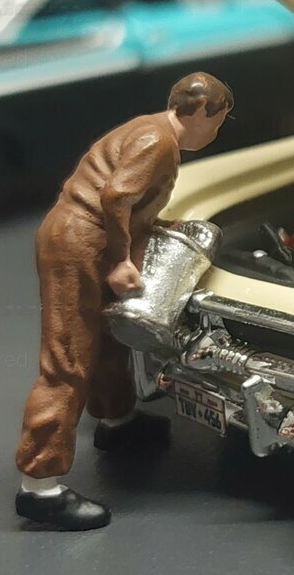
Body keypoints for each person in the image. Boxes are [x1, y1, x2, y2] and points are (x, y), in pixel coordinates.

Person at [15, 72, 233, 530]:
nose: (215, 133)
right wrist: (120, 260)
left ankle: (118, 420)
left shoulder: (152, 130)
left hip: (87, 237)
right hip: (80, 242)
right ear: (197, 112)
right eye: (216, 123)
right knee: (67, 358)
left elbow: (132, 203)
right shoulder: (158, 141)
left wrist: (157, 228)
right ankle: (40, 486)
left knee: (108, 338)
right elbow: (116, 197)